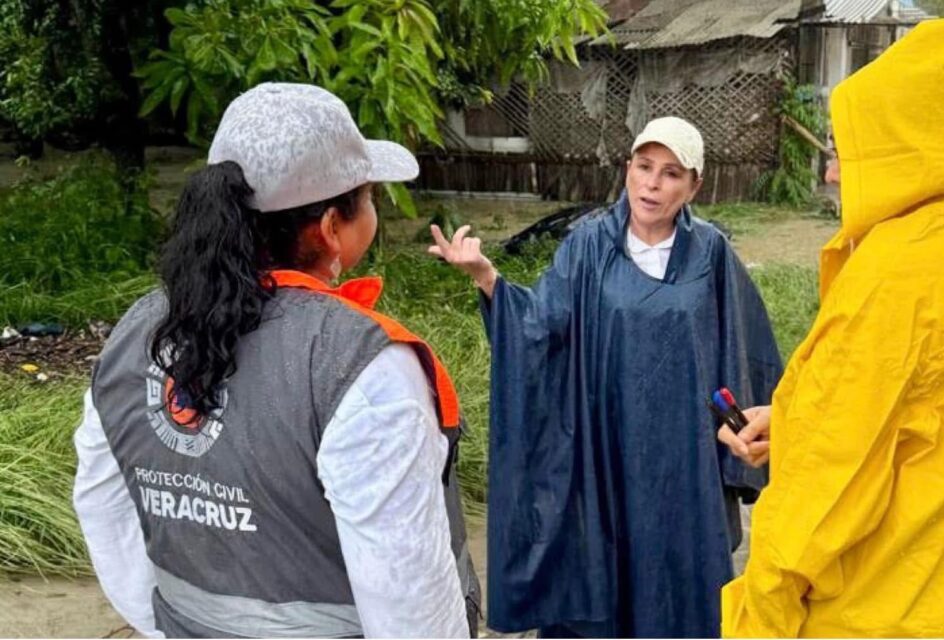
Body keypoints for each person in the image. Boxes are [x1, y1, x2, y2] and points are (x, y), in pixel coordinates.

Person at [73, 83, 477, 638]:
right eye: (370, 197)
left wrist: (166, 626)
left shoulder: (136, 334)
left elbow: (101, 507)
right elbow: (408, 598)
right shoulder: (359, 365)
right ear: (332, 226)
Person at [718, 19, 944, 637]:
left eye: (849, 152)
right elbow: (935, 427)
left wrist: (760, 619)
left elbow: (818, 500)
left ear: (915, 151)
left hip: (881, 614)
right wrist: (797, 419)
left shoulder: (897, 277)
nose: (832, 173)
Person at [430, 116, 783, 638]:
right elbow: (540, 325)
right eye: (644, 167)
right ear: (628, 169)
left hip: (682, 464)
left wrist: (744, 433)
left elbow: (744, 351)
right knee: (601, 575)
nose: (652, 184)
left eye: (670, 174)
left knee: (678, 585)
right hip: (602, 449)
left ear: (694, 186)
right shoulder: (589, 245)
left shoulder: (712, 255)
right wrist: (487, 277)